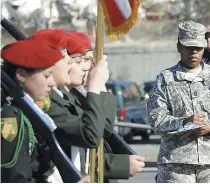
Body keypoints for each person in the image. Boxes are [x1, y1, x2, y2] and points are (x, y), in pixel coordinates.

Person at [65, 32, 145, 181]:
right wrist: (118, 165)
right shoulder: (63, 100)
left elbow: (106, 128)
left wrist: (99, 85)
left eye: (89, 60)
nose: (87, 67)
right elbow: (88, 140)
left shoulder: (78, 94)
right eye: (79, 61)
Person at [147, 21, 210, 183]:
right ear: (179, 47)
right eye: (189, 47)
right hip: (176, 165)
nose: (194, 52)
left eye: (198, 48)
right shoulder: (165, 79)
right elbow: (156, 121)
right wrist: (184, 122)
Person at [0, 39, 63, 182]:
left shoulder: (28, 113)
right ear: (21, 75)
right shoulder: (12, 118)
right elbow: (16, 179)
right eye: (46, 76)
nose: (52, 83)